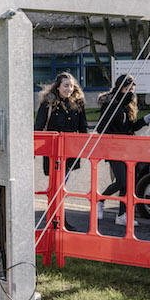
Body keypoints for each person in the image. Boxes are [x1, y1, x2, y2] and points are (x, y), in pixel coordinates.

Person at [96, 75, 150, 227]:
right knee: (122, 181)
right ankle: (99, 200)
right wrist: (118, 137)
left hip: (127, 148)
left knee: (128, 183)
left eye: (132, 88)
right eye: (127, 87)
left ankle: (122, 215)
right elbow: (101, 127)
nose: (130, 90)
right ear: (119, 87)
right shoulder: (111, 103)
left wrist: (144, 120)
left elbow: (131, 127)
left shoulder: (129, 104)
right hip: (113, 147)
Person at [34, 72, 88, 230]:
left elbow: (83, 128)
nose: (69, 89)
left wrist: (85, 146)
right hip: (52, 153)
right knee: (57, 187)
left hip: (70, 153)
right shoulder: (48, 104)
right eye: (66, 85)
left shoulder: (78, 104)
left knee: (61, 187)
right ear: (57, 87)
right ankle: (58, 220)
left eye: (71, 86)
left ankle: (58, 219)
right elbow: (39, 127)